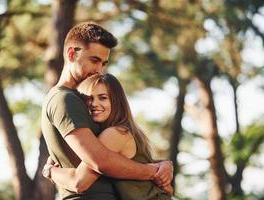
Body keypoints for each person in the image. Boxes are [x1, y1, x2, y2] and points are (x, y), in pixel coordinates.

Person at [41, 22, 173, 199]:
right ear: (71, 54)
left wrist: (163, 164)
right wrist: (153, 172)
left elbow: (119, 156)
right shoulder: (65, 99)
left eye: (103, 63)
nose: (99, 70)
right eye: (94, 60)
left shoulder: (83, 101)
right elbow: (100, 161)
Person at [43, 73, 173, 199]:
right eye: (89, 98)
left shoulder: (115, 133)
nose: (94, 103)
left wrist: (49, 171)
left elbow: (79, 182)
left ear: (116, 101)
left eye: (103, 97)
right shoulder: (126, 130)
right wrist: (164, 164)